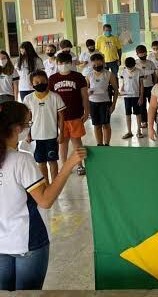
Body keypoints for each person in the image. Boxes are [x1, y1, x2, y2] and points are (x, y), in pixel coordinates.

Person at [0, 100, 86, 291]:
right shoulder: (21, 160)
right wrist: (68, 164)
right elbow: (45, 200)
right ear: (16, 128)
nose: (27, 129)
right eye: (27, 124)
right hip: (27, 241)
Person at [47, 52, 89, 175]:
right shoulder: (53, 78)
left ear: (71, 63)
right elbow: (50, 98)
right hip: (60, 117)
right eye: (60, 63)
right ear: (57, 63)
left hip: (76, 115)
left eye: (66, 63)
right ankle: (64, 166)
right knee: (63, 142)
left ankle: (80, 165)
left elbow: (84, 95)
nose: (63, 65)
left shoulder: (78, 77)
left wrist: (87, 111)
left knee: (77, 141)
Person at [22, 70, 65, 182]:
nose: (40, 83)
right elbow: (27, 119)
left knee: (52, 161)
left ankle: (54, 185)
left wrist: (62, 133)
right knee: (41, 162)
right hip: (36, 137)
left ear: (47, 81)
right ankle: (46, 185)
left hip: (52, 136)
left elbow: (61, 117)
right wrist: (27, 134)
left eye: (43, 81)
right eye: (36, 82)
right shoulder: (28, 99)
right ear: (32, 84)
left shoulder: (55, 97)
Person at [86, 54, 119, 146]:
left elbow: (116, 90)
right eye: (94, 65)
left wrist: (113, 105)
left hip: (105, 103)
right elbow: (85, 90)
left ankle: (107, 144)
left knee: (106, 124)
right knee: (96, 125)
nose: (97, 66)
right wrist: (88, 92)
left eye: (99, 64)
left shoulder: (109, 74)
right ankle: (99, 144)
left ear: (103, 63)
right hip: (92, 103)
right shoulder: (89, 75)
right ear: (91, 65)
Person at [119, 57, 144, 140]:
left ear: (134, 65)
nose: (130, 69)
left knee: (138, 113)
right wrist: (121, 89)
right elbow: (123, 83)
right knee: (127, 114)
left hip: (136, 95)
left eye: (131, 67)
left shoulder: (139, 71)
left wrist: (141, 96)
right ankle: (129, 132)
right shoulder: (123, 72)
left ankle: (138, 131)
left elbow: (141, 85)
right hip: (127, 96)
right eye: (128, 67)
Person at [136, 45, 157, 128]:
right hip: (140, 87)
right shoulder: (135, 63)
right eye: (140, 53)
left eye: (144, 53)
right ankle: (144, 121)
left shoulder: (150, 63)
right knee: (142, 105)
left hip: (150, 86)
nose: (142, 55)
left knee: (153, 104)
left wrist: (154, 85)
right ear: (137, 54)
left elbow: (155, 75)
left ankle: (156, 120)